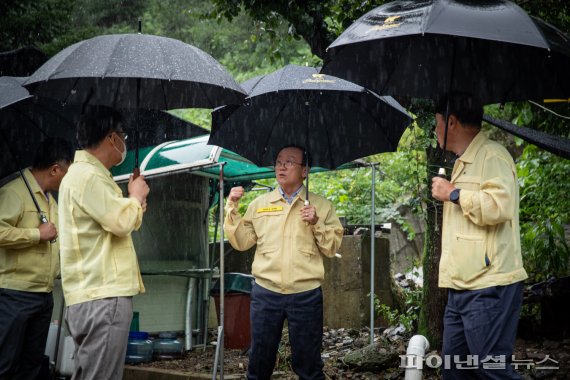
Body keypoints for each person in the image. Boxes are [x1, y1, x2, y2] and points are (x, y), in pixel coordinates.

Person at [225, 145, 343, 380]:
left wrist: (316, 222)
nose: (281, 166)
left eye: (290, 162)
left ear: (305, 170)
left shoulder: (321, 206)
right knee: (259, 363)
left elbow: (332, 248)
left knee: (309, 366)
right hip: (266, 293)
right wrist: (232, 207)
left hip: (306, 294)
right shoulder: (260, 204)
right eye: (279, 161)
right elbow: (241, 241)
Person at [431, 93, 528, 379]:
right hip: (461, 287)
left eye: (436, 123)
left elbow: (500, 207)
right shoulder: (463, 161)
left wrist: (454, 193)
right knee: (455, 372)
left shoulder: (493, 155)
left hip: (489, 286)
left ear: (451, 122)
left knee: (492, 371)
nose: (434, 130)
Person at [58, 106, 150, 380]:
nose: (124, 143)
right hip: (102, 296)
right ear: (112, 138)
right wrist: (134, 197)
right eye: (123, 136)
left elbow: (117, 220)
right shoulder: (88, 176)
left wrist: (135, 201)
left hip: (92, 294)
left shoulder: (84, 175)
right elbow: (120, 223)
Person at [0, 137, 73, 380]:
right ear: (55, 169)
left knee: (31, 367)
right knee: (5, 363)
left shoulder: (51, 200)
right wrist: (36, 234)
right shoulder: (14, 192)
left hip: (44, 295)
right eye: (67, 172)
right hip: (14, 295)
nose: (67, 179)